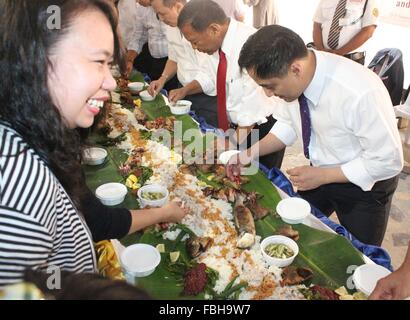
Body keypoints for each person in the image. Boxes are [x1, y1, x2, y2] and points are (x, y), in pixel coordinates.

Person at [0, 0, 189, 288]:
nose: (111, 82)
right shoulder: (19, 184)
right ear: (36, 58)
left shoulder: (35, 139)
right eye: (98, 62)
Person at [228, 25, 403, 246]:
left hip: (366, 186)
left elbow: (388, 161)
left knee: (360, 256)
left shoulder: (359, 92)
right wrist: (248, 153)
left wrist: (324, 175)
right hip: (319, 170)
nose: (268, 94)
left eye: (270, 86)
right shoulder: (299, 78)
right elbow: (288, 124)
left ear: (295, 69)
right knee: (296, 231)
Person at [177, 0, 285, 169]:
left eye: (195, 41)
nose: (194, 47)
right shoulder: (215, 45)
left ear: (214, 29)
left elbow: (254, 106)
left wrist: (232, 142)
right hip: (237, 128)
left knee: (254, 183)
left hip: (261, 130)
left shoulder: (251, 46)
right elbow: (209, 77)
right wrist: (185, 90)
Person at [148, 0, 218, 127]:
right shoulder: (171, 27)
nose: (161, 19)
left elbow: (210, 75)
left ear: (178, 7)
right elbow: (174, 58)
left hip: (206, 98)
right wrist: (162, 79)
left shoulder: (201, 27)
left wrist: (185, 90)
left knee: (205, 138)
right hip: (183, 92)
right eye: (158, 15)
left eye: (163, 13)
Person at [125, 0, 179, 90]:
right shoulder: (141, 9)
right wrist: (129, 60)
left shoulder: (170, 8)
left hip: (174, 62)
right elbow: (138, 36)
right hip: (155, 61)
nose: (137, 2)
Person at [313, 0, 379, 65]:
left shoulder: (370, 1)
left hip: (351, 60)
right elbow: (317, 25)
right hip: (323, 56)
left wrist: (339, 52)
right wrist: (320, 49)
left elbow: (368, 31)